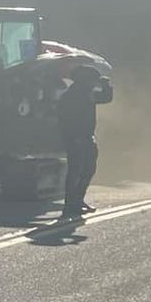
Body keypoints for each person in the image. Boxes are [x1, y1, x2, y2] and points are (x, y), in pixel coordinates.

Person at [56, 63, 110, 221]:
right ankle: (70, 205)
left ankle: (78, 200)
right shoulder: (71, 96)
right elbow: (65, 120)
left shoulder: (86, 94)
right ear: (84, 80)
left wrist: (106, 86)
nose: (94, 83)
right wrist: (73, 137)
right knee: (75, 171)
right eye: (92, 80)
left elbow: (105, 98)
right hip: (76, 138)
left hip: (87, 137)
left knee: (89, 169)